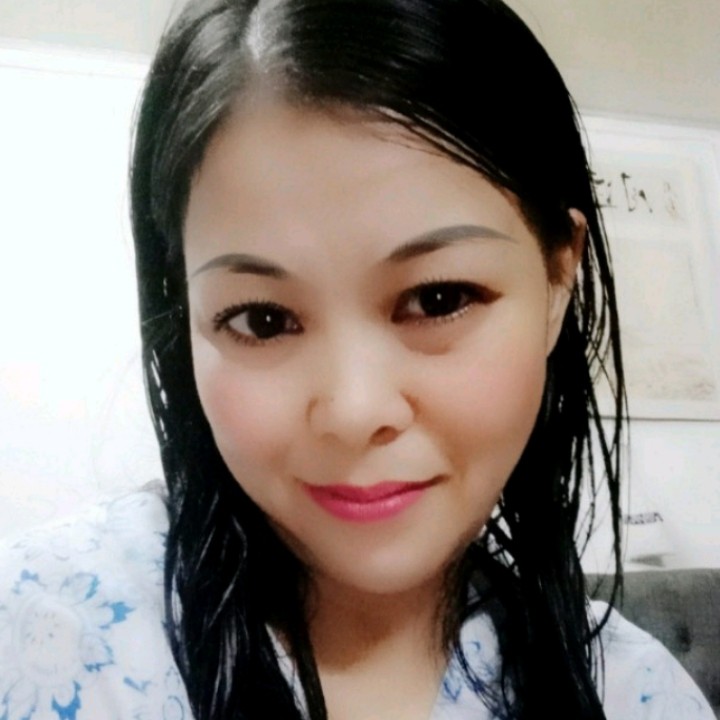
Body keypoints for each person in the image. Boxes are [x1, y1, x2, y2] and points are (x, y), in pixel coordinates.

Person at [0, 1, 714, 719]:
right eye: (263, 319)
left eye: (438, 299)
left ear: (558, 279)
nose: (354, 410)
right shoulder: (45, 632)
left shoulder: (638, 695)